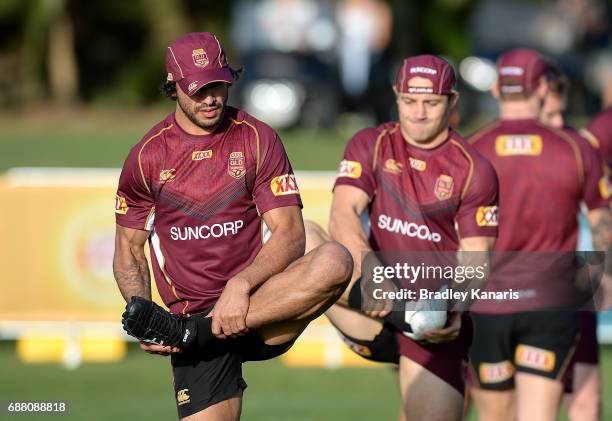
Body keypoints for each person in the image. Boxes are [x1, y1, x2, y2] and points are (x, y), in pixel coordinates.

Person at [113, 32, 352, 420]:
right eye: (199, 89)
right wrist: (141, 310)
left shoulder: (258, 138)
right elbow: (128, 249)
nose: (211, 97)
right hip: (190, 321)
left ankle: (199, 332)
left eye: (218, 85)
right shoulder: (146, 156)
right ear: (173, 87)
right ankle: (198, 333)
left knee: (334, 260)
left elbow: (290, 233)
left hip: (259, 305)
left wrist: (239, 286)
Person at [306, 54, 499, 421]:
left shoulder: (475, 169)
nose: (418, 112)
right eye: (409, 101)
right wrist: (374, 274)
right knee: (302, 239)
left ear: (452, 102)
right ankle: (222, 331)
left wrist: (452, 308)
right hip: (375, 306)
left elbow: (477, 258)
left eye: (431, 102)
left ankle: (418, 321)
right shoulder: (371, 143)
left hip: (432, 329)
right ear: (396, 96)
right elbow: (343, 213)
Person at [467, 48, 610, 421]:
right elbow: (602, 228)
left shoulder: (470, 150)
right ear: (543, 89)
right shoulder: (577, 149)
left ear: (497, 89)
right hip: (550, 303)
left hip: (488, 304)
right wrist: (598, 278)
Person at [541, 63, 603, 421]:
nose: (554, 121)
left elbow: (600, 217)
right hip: (513, 295)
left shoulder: (580, 150)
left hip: (573, 292)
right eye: (546, 112)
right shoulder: (497, 151)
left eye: (560, 112)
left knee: (585, 401)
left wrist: (597, 273)